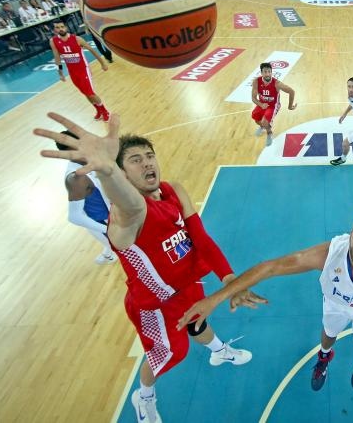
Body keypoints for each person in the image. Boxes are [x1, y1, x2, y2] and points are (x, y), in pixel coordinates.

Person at [33, 113, 263, 423]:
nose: (147, 164)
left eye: (149, 156)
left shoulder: (173, 190)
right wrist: (107, 171)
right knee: (169, 353)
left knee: (198, 320)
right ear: (123, 174)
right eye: (135, 160)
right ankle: (144, 396)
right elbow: (131, 206)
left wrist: (229, 278)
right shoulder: (127, 214)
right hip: (155, 304)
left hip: (186, 285)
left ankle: (218, 350)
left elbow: (201, 239)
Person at [177, 213, 353, 391]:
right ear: (351, 233)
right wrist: (216, 298)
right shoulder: (330, 253)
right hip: (335, 303)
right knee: (328, 334)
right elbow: (272, 266)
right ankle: (324, 357)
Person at [55, 130, 117, 265]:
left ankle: (108, 252)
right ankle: (110, 252)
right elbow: (74, 216)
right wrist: (106, 229)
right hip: (103, 223)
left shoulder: (93, 156)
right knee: (129, 252)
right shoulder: (77, 178)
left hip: (115, 212)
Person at [49, 21, 111, 121]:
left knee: (90, 92)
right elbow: (57, 57)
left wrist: (102, 63)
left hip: (83, 70)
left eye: (62, 26)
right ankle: (98, 110)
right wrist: (60, 73)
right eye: (57, 27)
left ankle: (105, 111)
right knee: (85, 93)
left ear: (66, 27)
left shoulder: (77, 39)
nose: (60, 29)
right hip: (72, 72)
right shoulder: (53, 41)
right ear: (54, 30)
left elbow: (92, 50)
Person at [251, 62, 297, 147]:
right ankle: (262, 127)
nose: (267, 74)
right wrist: (261, 104)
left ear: (271, 72)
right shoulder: (256, 82)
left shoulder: (277, 83)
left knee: (265, 121)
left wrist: (290, 106)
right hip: (262, 104)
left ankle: (269, 133)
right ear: (261, 73)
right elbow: (253, 98)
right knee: (256, 119)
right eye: (265, 72)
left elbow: (291, 91)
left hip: (273, 106)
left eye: (269, 71)